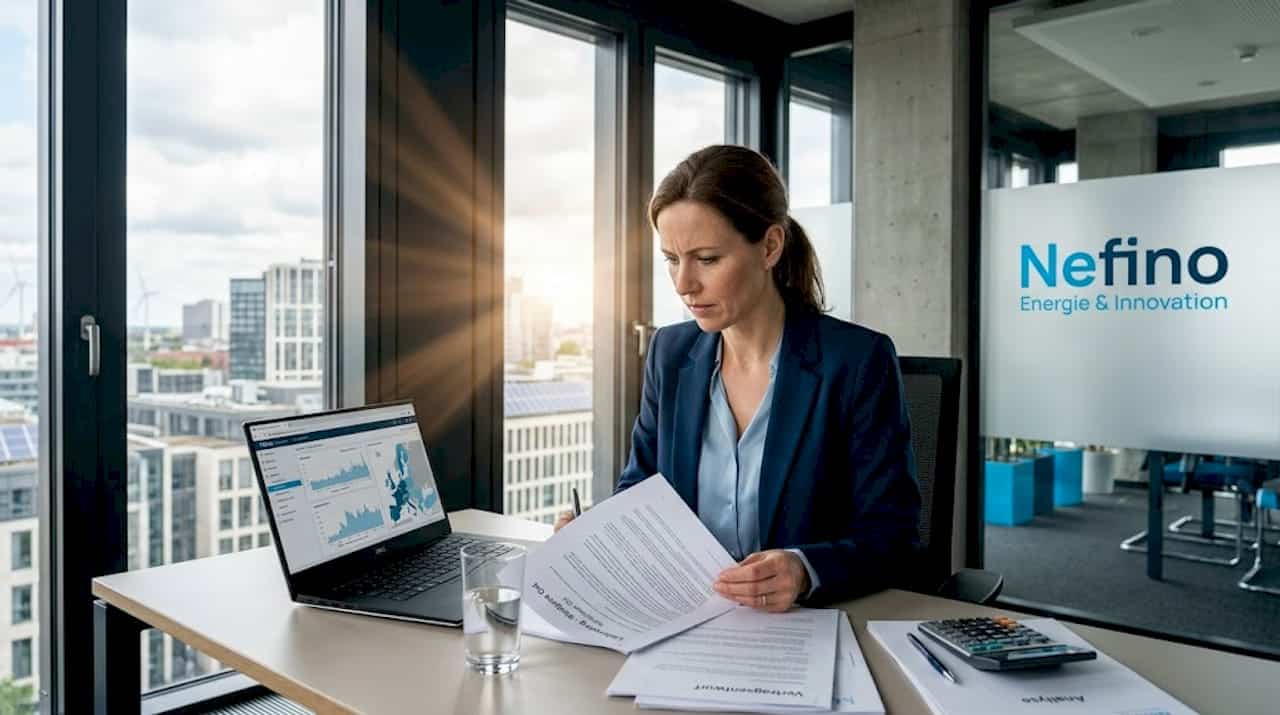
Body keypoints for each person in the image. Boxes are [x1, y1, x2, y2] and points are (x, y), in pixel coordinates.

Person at [555, 145, 920, 611]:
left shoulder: (856, 361)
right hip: (687, 614)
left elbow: (893, 536)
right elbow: (640, 491)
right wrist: (597, 531)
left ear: (770, 247)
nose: (683, 284)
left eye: (707, 259)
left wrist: (804, 570)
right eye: (671, 259)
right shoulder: (670, 353)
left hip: (807, 623)